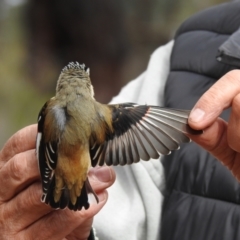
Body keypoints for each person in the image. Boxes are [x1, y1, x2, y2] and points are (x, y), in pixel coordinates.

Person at [0, 1, 240, 240]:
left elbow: (44, 147)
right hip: (75, 182)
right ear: (88, 86)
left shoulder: (49, 108)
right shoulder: (165, 71)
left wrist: (49, 172)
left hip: (59, 179)